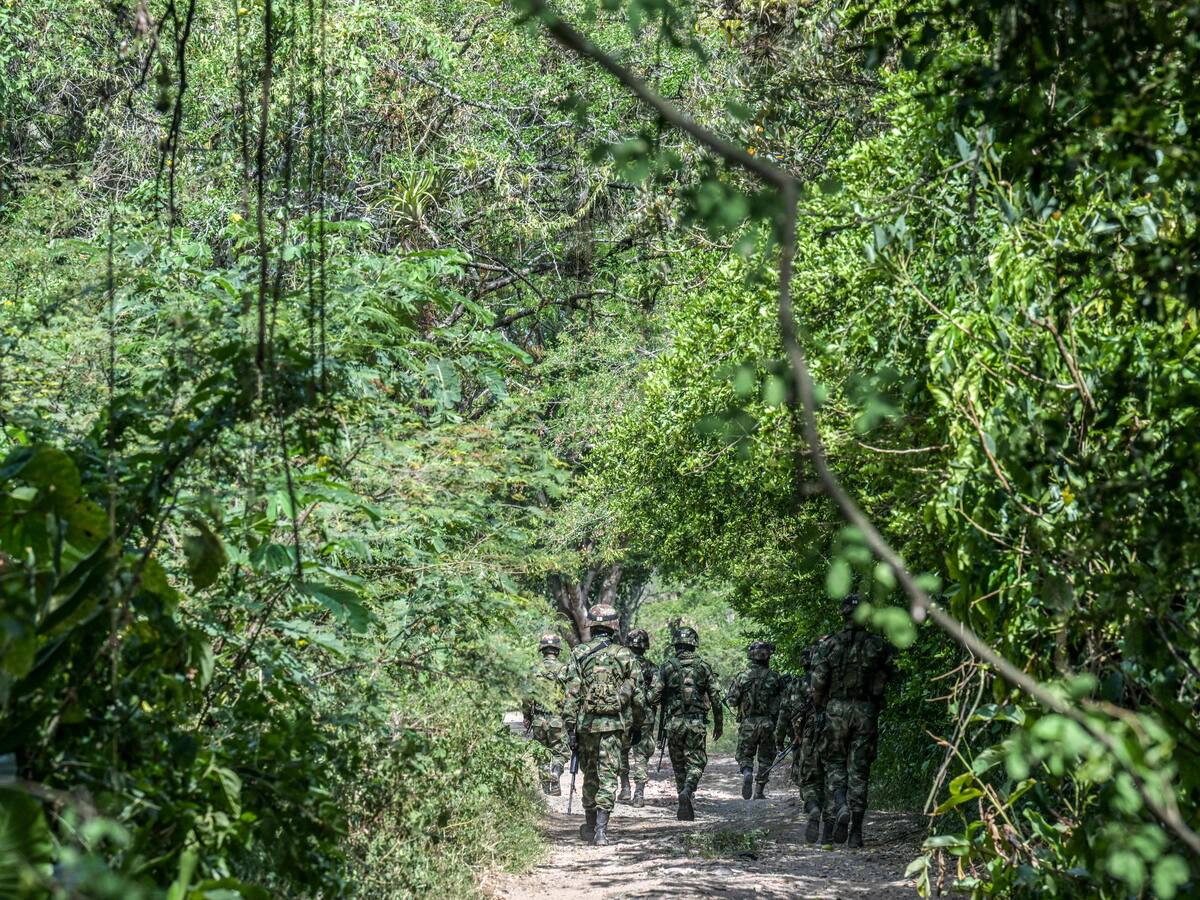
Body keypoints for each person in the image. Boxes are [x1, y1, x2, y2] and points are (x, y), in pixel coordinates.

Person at [811, 594, 895, 848]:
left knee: (834, 763)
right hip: (865, 711)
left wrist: (820, 708)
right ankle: (856, 833)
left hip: (836, 710)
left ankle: (840, 804)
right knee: (859, 770)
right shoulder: (878, 645)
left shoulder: (829, 645)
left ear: (843, 615)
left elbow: (818, 684)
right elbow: (890, 676)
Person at [562, 604, 638, 846]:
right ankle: (602, 832)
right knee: (608, 776)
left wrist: (570, 727)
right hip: (614, 726)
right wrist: (635, 725)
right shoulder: (624, 654)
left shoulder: (578, 653)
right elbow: (637, 696)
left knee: (590, 776)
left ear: (591, 626)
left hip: (586, 726)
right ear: (613, 626)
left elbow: (571, 693)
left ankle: (591, 824)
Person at [658, 625, 723, 820]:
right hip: (696, 723)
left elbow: (653, 697)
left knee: (678, 765)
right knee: (697, 762)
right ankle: (688, 790)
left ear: (676, 644)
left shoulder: (667, 667)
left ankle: (683, 804)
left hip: (674, 723)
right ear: (694, 644)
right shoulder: (703, 667)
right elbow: (716, 699)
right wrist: (719, 724)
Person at [776, 640, 829, 842]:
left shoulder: (797, 684)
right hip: (834, 731)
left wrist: (784, 738)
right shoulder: (832, 681)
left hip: (807, 734)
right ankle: (830, 820)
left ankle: (813, 806)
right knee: (833, 774)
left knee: (807, 777)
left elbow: (787, 713)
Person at [726, 640, 786, 799]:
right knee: (766, 757)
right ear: (767, 657)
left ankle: (747, 773)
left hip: (748, 723)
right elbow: (784, 702)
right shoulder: (775, 678)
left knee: (745, 755)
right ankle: (759, 791)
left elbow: (731, 701)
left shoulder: (742, 676)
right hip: (768, 723)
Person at [522, 633, 569, 795]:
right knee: (560, 751)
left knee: (541, 752)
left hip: (538, 719)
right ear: (557, 650)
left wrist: (527, 716)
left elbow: (527, 697)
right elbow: (572, 695)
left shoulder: (534, 670)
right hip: (557, 718)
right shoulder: (564, 669)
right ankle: (555, 773)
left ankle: (545, 789)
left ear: (542, 649)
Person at [619, 628, 659, 807]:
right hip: (645, 715)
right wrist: (648, 700)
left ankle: (625, 787)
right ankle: (639, 794)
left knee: (622, 750)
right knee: (641, 754)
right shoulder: (652, 667)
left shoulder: (621, 664)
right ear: (645, 646)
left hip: (624, 714)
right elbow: (658, 690)